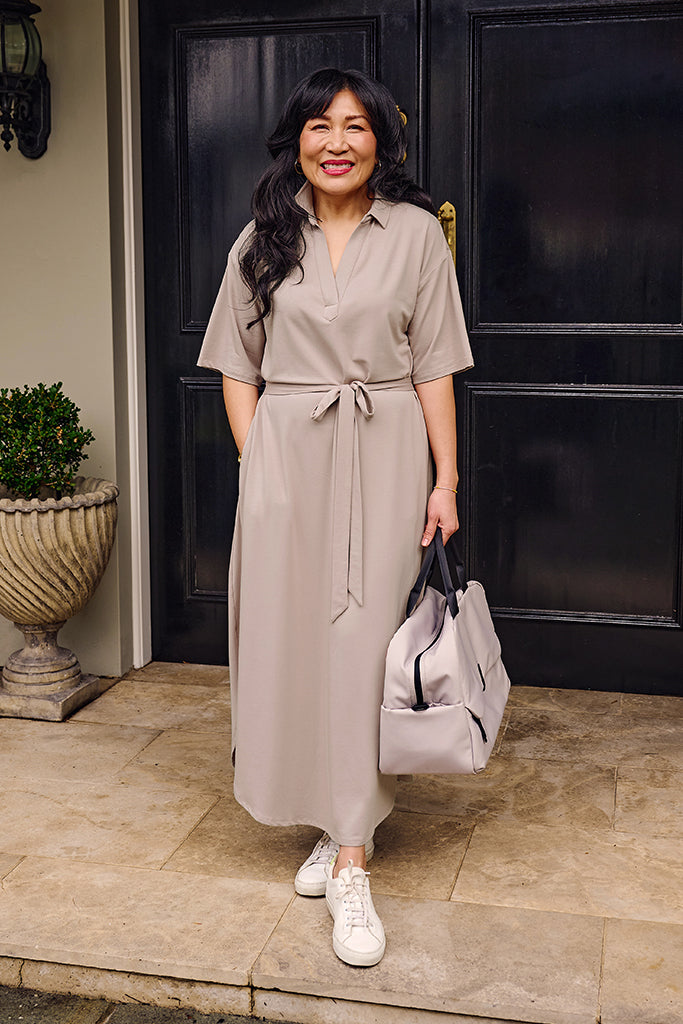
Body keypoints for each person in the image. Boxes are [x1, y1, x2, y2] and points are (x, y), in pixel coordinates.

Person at [197, 67, 473, 967]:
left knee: (363, 649)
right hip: (288, 463)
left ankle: (352, 857)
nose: (337, 141)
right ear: (297, 140)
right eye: (320, 125)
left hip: (386, 457)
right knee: (295, 645)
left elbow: (434, 364)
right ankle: (331, 820)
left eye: (355, 126)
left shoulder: (417, 238)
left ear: (380, 143)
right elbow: (237, 366)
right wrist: (257, 465)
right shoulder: (263, 237)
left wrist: (445, 480)